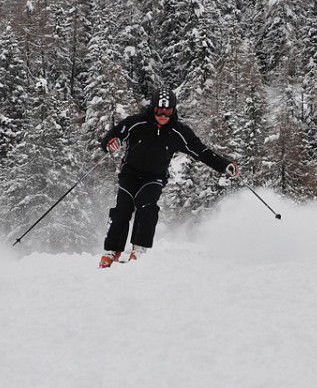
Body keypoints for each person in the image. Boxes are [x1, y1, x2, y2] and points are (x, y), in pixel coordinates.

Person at [98, 87, 239, 268]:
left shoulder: (178, 132)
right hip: (130, 174)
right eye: (159, 110)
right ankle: (112, 251)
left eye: (168, 111)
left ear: (173, 110)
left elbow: (201, 151)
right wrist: (110, 143)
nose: (163, 115)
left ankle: (139, 248)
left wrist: (224, 165)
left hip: (154, 177)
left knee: (146, 204)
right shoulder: (136, 123)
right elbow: (112, 136)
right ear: (152, 108)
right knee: (123, 208)